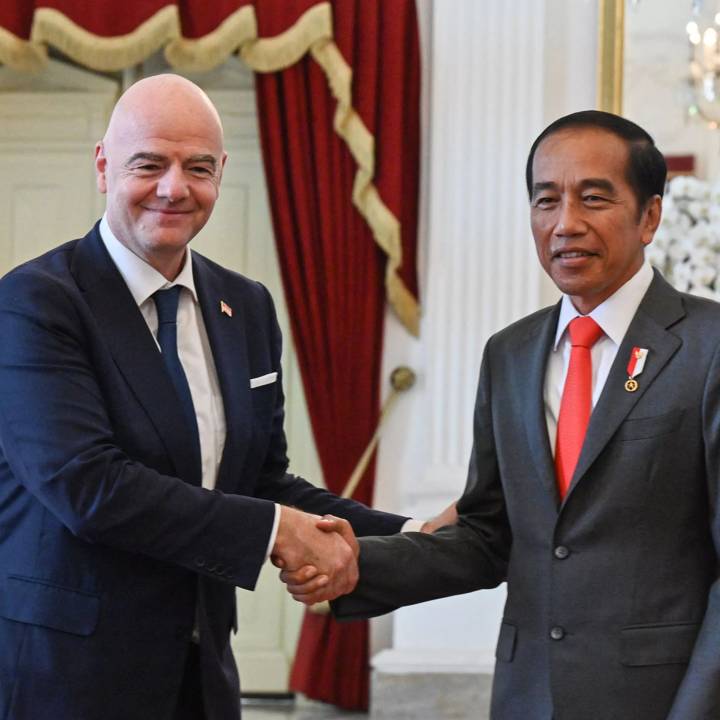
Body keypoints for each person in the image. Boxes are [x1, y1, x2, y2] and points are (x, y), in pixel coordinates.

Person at [0, 74, 446, 720]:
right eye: (148, 164)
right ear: (103, 167)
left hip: (202, 675)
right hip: (66, 680)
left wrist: (415, 535)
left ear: (220, 173)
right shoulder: (35, 302)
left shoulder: (249, 307)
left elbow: (261, 479)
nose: (174, 187)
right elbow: (87, 486)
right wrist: (276, 533)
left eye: (198, 167)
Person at [283, 111, 720, 719]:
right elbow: (490, 534)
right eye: (546, 201)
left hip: (660, 700)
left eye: (594, 198)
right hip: (527, 696)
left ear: (650, 216)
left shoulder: (708, 347)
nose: (565, 223)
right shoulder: (510, 354)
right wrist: (359, 561)